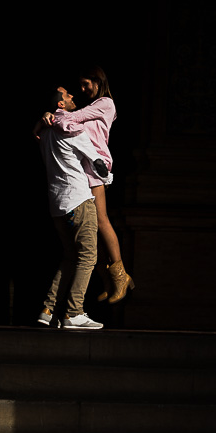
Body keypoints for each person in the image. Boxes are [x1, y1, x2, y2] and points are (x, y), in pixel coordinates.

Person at [42, 66, 134, 304]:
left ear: (97, 81)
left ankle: (121, 277)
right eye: (80, 86)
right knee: (91, 230)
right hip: (84, 169)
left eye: (86, 84)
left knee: (101, 221)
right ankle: (107, 280)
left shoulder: (106, 103)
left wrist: (49, 116)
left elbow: (72, 119)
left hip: (96, 166)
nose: (82, 90)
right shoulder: (90, 106)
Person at [36, 86, 104, 330]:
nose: (73, 96)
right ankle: (73, 313)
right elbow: (97, 162)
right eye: (67, 95)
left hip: (57, 205)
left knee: (70, 257)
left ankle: (47, 309)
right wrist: (107, 178)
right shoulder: (72, 129)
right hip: (79, 200)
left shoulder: (44, 132)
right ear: (61, 105)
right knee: (88, 257)